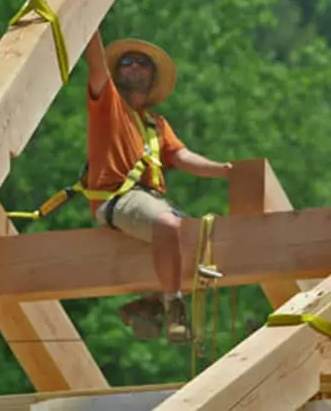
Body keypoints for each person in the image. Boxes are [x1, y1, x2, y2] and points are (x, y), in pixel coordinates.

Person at [81, 30, 232, 342]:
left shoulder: (156, 125)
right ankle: (173, 307)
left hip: (149, 201)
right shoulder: (107, 102)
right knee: (167, 225)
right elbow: (95, 61)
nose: (133, 66)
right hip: (118, 198)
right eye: (126, 62)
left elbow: (183, 156)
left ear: (151, 78)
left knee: (202, 246)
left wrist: (226, 171)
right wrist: (86, 11)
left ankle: (148, 305)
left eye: (141, 63)